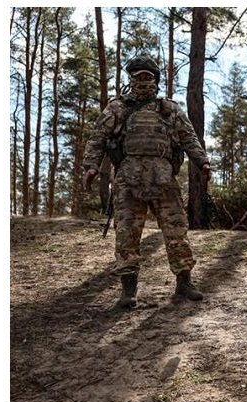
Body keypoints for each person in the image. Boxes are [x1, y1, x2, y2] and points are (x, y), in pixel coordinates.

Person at [82, 53, 212, 308]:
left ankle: (184, 283)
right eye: (137, 76)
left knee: (176, 231)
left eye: (147, 77)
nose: (143, 81)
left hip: (164, 178)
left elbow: (189, 138)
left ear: (156, 80)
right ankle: (128, 290)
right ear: (130, 79)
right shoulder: (117, 108)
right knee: (127, 234)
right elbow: (98, 138)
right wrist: (91, 167)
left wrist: (203, 162)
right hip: (128, 179)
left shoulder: (169, 109)